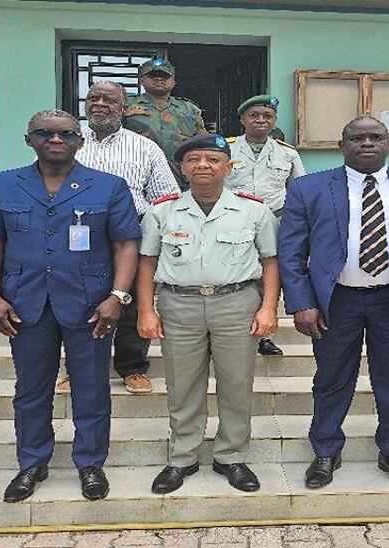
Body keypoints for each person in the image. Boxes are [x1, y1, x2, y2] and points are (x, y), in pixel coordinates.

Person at [278, 116, 389, 491]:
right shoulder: (307, 188)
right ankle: (326, 450)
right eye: (357, 137)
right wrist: (300, 303)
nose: (367, 143)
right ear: (342, 145)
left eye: (376, 137)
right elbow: (290, 252)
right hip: (334, 301)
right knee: (330, 379)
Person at [0, 110, 141, 503]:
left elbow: (125, 244)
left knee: (92, 387)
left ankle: (90, 463)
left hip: (90, 304)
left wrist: (117, 297)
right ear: (29, 138)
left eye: (66, 134)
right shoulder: (3, 184)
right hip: (25, 304)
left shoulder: (109, 186)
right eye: (45, 133)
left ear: (79, 141)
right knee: (31, 389)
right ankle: (32, 462)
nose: (55, 139)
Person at [137, 133, 280, 495]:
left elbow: (270, 261)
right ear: (182, 168)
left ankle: (231, 456)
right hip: (179, 304)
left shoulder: (254, 210)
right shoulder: (161, 211)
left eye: (213, 159)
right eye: (194, 160)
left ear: (228, 168)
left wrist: (268, 307)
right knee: (182, 385)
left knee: (236, 384)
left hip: (236, 303)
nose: (203, 165)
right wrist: (145, 310)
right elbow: (147, 262)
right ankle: (182, 457)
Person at [51, 80, 179, 395]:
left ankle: (132, 368)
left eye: (108, 99)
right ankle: (77, 370)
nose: (99, 104)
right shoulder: (70, 145)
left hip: (131, 234)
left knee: (131, 302)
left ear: (123, 108)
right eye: (93, 98)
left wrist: (153, 233)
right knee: (80, 302)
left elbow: (167, 197)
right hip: (79, 235)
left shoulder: (145, 147)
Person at [224, 94, 306, 357]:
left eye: (267, 116)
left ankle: (265, 335)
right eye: (254, 116)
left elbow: (298, 192)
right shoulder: (226, 150)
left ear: (274, 121)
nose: (260, 120)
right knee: (232, 277)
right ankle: (228, 331)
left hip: (274, 222)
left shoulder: (288, 153)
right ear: (242, 120)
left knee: (268, 279)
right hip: (233, 222)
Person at [124, 57, 206, 189]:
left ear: (173, 82)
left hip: (181, 179)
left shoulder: (190, 109)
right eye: (152, 75)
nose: (158, 79)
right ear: (142, 80)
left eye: (164, 76)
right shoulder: (126, 105)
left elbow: (202, 143)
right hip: (139, 176)